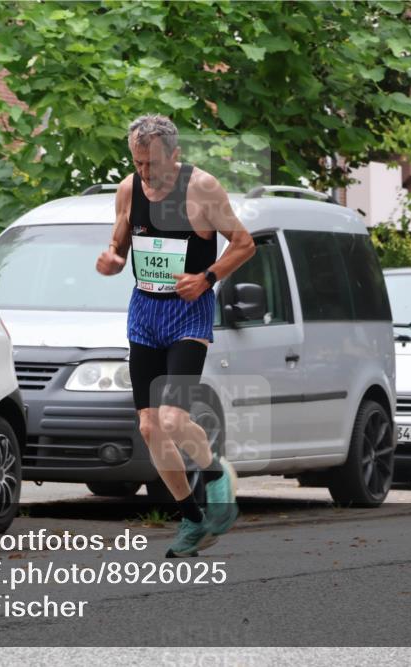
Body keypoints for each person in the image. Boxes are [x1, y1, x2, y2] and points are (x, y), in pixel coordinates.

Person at [95, 115, 256, 557]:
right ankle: (190, 519)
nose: (146, 173)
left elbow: (243, 243)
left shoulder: (202, 188)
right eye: (138, 163)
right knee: (149, 427)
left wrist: (207, 277)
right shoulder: (129, 189)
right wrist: (110, 259)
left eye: (153, 164)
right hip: (145, 311)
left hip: (189, 313)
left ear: (176, 156)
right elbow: (119, 245)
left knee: (171, 418)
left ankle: (216, 473)